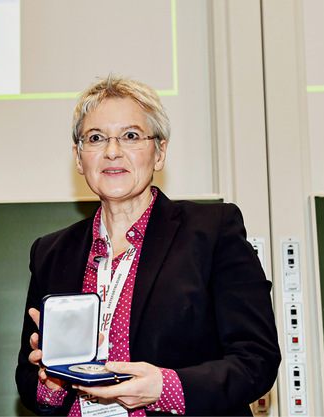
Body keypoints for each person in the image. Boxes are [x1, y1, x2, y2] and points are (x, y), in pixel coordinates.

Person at [15, 75, 280, 416]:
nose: (112, 151)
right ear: (79, 158)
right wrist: (50, 382)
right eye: (95, 138)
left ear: (159, 152)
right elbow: (27, 376)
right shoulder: (51, 253)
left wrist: (164, 388)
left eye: (130, 136)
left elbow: (256, 360)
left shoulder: (213, 231)